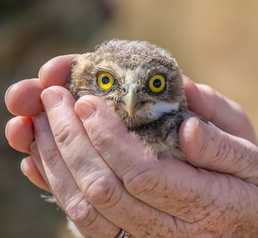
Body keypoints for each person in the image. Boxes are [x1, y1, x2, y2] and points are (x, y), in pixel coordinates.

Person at [5, 55, 258, 238]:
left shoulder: (185, 131)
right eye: (106, 81)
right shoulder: (71, 123)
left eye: (155, 84)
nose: (130, 99)